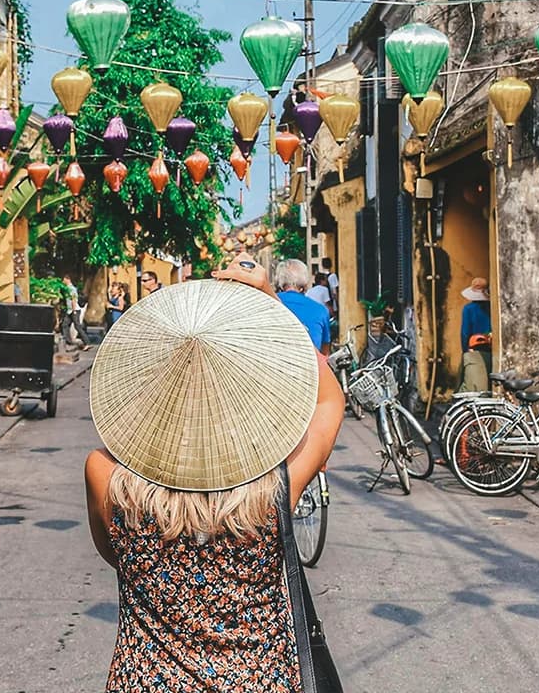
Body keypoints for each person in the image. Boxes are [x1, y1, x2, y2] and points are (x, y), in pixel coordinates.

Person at [84, 252, 344, 693]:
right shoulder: (275, 487)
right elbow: (327, 401)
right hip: (263, 682)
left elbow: (115, 556)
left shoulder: (104, 474)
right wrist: (269, 302)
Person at [273, 259, 331, 354]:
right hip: (310, 366)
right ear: (305, 281)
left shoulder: (269, 302)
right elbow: (325, 352)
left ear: (280, 280)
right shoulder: (321, 310)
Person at [458, 277, 493, 392]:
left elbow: (465, 333)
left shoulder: (468, 309)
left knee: (472, 387)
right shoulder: (492, 308)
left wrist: (465, 350)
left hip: (474, 351)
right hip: (491, 350)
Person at [61, 274, 90, 351]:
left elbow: (74, 299)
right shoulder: (67, 288)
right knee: (65, 324)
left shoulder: (72, 289)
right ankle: (68, 341)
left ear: (67, 279)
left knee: (77, 326)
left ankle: (87, 342)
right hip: (69, 310)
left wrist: (73, 310)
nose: (63, 281)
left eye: (63, 279)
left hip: (74, 310)